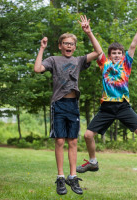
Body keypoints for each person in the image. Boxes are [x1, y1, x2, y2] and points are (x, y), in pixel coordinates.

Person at [76, 13, 137, 176]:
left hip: (123, 105)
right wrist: (89, 33)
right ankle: (93, 162)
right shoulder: (104, 64)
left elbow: (133, 46)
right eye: (113, 53)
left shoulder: (126, 64)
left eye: (119, 53)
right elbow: (98, 49)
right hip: (107, 107)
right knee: (88, 135)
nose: (116, 55)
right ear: (109, 56)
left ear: (123, 55)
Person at [34, 15, 102, 195]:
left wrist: (89, 32)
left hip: (73, 104)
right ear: (60, 45)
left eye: (72, 44)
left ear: (75, 47)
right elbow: (37, 69)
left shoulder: (79, 60)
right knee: (60, 141)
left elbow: (98, 52)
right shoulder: (53, 60)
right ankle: (60, 177)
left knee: (72, 141)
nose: (69, 46)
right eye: (66, 43)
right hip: (58, 104)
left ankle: (73, 177)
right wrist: (41, 48)